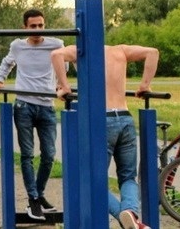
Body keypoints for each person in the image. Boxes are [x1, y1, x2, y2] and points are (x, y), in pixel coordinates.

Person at [52, 43, 159, 229]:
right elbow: (153, 52)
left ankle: (122, 215)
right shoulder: (121, 50)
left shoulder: (82, 49)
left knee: (93, 179)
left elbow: (55, 54)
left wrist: (64, 86)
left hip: (102, 120)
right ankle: (131, 213)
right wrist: (144, 85)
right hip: (125, 117)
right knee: (128, 177)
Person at [0, 8, 64, 221]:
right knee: (27, 154)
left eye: (41, 25)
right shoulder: (18, 45)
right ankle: (33, 199)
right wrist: (0, 80)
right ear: (25, 27)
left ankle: (38, 194)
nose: (37, 30)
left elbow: (64, 62)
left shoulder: (55, 44)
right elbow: (7, 62)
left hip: (47, 105)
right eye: (33, 26)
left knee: (49, 155)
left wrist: (61, 83)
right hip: (24, 105)